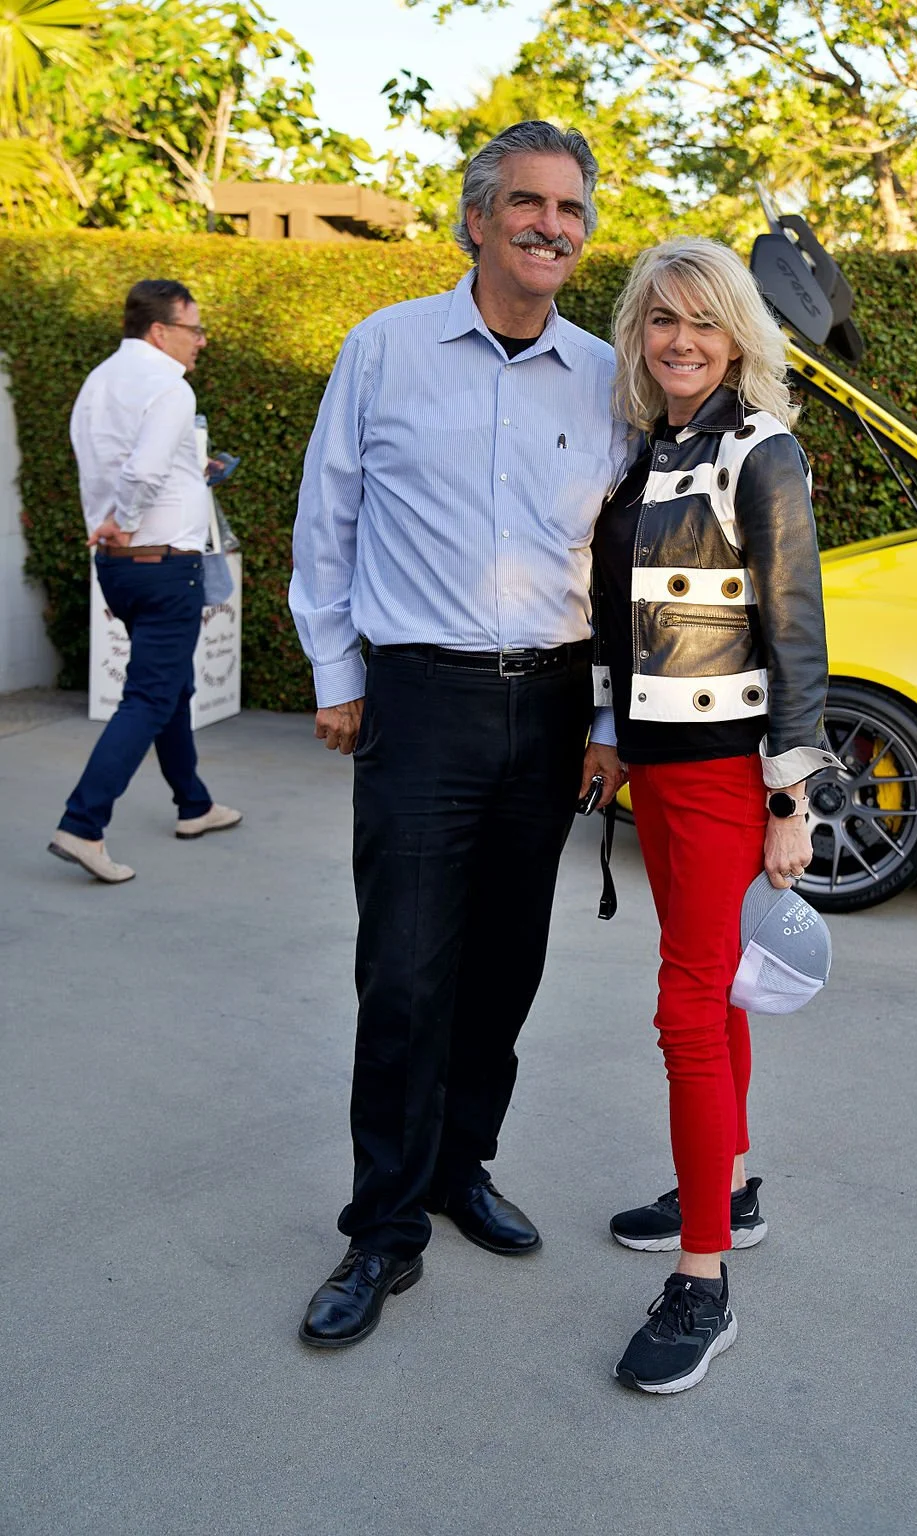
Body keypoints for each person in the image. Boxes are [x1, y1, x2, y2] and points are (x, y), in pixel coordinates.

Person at [289, 121, 629, 1350]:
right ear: (477, 218)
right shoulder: (382, 350)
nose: (552, 225)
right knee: (405, 972)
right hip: (420, 701)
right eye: (529, 203)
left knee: (504, 966)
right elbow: (326, 518)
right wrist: (338, 672)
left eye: (571, 210)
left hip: (548, 710)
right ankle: (382, 1227)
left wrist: (601, 716)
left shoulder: (605, 376)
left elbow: (618, 564)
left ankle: (459, 1166)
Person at [589, 237, 839, 1393]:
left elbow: (793, 632)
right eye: (658, 320)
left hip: (731, 777)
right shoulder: (648, 456)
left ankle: (702, 1283)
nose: (678, 339)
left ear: (739, 333)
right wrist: (607, 737)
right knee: (716, 988)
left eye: (700, 319)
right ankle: (727, 1194)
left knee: (687, 1010)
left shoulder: (761, 450)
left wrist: (792, 796)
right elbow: (616, 620)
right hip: (660, 771)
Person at [48, 280, 241, 884]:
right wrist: (125, 522)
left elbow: (107, 464)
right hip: (161, 564)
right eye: (194, 330)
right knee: (151, 696)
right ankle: (82, 825)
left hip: (118, 568)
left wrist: (116, 523)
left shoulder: (97, 382)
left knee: (169, 685)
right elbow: (144, 470)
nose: (201, 342)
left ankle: (195, 804)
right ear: (160, 331)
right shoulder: (170, 388)